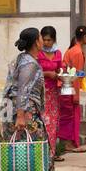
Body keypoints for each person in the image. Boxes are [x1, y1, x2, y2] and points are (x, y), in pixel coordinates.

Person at [0, 27, 68, 171]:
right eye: (40, 38)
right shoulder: (29, 63)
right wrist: (21, 115)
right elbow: (23, 90)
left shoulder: (20, 59)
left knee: (13, 148)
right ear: (37, 42)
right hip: (24, 111)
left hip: (8, 110)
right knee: (41, 147)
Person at [57, 25, 86, 155]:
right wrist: (76, 95)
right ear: (85, 37)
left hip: (65, 86)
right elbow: (75, 75)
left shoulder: (72, 50)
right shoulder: (77, 52)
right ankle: (69, 143)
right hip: (69, 87)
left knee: (67, 115)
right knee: (70, 115)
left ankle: (68, 143)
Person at [37, 26, 64, 159]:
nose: (46, 43)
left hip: (53, 93)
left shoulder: (58, 53)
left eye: (49, 40)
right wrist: (47, 73)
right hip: (40, 93)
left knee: (53, 122)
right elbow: (32, 72)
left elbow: (61, 69)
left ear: (54, 40)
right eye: (44, 39)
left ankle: (52, 152)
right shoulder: (37, 54)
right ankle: (41, 153)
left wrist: (61, 74)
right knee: (42, 122)